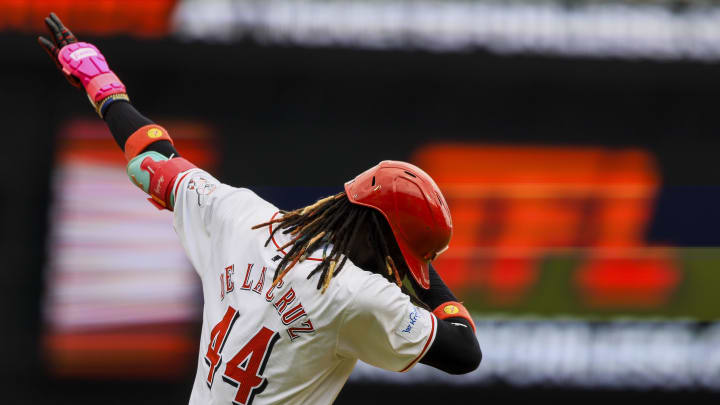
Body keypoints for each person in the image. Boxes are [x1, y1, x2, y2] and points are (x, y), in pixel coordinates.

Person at [38, 13, 481, 404]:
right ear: (381, 238)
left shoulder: (243, 216)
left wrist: (105, 88)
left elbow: (151, 162)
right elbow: (464, 353)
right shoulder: (358, 297)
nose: (397, 272)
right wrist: (417, 266)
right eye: (398, 260)